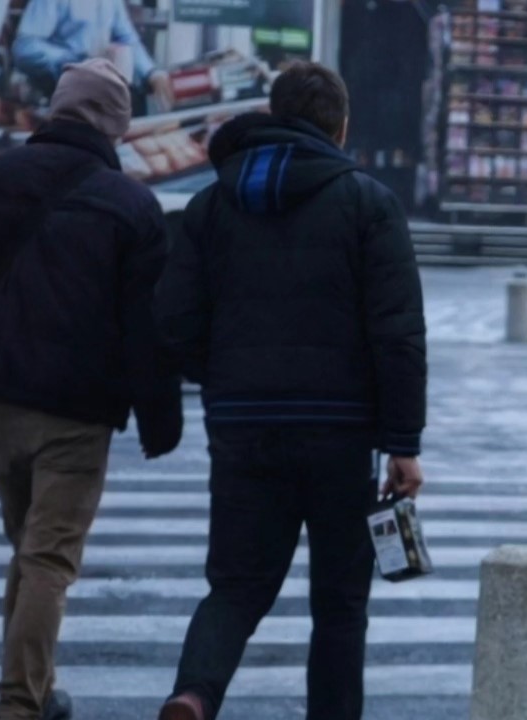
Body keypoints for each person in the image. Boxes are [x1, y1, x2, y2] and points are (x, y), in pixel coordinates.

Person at [153, 61, 426, 720]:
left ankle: (194, 694)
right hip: (340, 434)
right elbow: (398, 334)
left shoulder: (211, 204)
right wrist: (403, 443)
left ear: (275, 116)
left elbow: (170, 319)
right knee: (339, 605)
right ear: (341, 125)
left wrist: (220, 377)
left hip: (243, 428)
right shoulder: (367, 202)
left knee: (236, 587)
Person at [0, 58, 184, 720]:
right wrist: (160, 418)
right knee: (49, 560)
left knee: (30, 549)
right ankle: (19, 704)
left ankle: (38, 687)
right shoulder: (132, 206)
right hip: (72, 413)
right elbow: (143, 330)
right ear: (117, 125)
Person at [13, 0, 174, 106]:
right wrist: (75, 60)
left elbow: (127, 39)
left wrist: (151, 73)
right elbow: (24, 47)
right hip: (58, 96)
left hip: (100, 97)